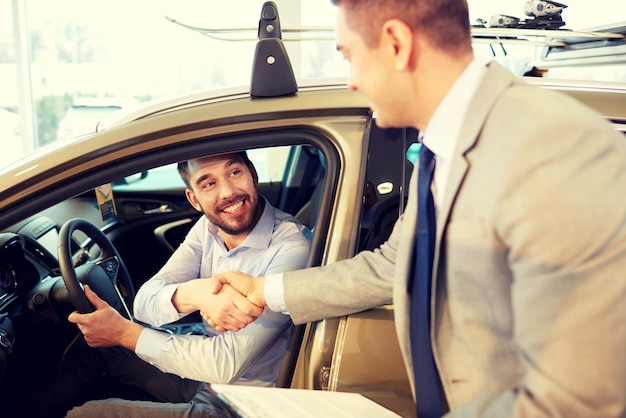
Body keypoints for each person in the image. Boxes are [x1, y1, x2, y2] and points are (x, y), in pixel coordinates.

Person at [207, 1, 626, 417]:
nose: (352, 82)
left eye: (350, 57)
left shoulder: (555, 151)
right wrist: (267, 290)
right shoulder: (440, 151)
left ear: (396, 43)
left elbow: (578, 399)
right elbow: (394, 264)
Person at [42, 151, 310, 418]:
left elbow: (226, 364)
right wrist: (196, 294)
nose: (228, 191)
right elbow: (144, 303)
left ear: (252, 173)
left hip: (243, 403)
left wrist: (124, 333)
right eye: (209, 183)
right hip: (203, 374)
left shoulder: (291, 248)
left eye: (234, 172)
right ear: (194, 199)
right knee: (94, 347)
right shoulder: (208, 229)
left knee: (87, 415)